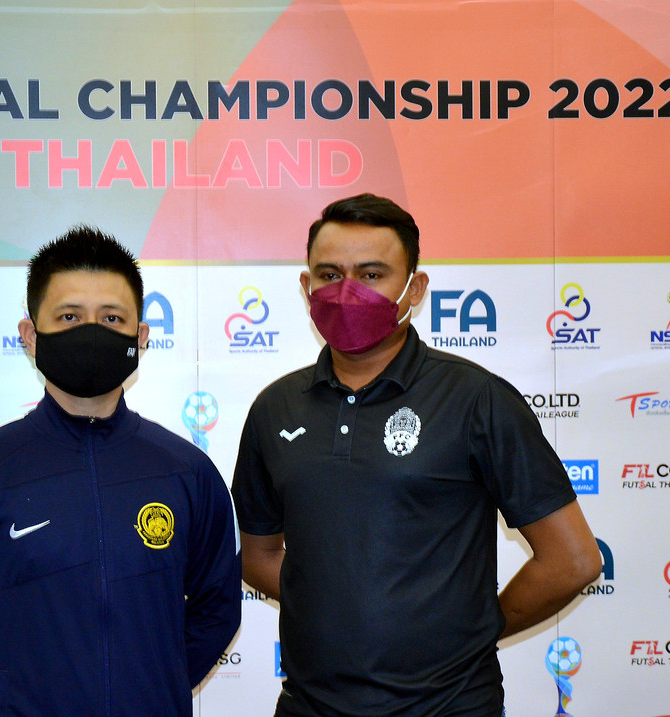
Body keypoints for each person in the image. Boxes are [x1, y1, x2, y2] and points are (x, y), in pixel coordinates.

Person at [232, 194, 602, 716]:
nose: (347, 292)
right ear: (306, 286)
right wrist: (336, 607)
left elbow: (573, 560)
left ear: (415, 288)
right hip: (308, 707)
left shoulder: (477, 399)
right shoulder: (275, 407)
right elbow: (259, 557)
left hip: (449, 706)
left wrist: (471, 631)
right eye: (329, 275)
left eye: (371, 274)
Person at [0, 226, 242, 717]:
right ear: (30, 336)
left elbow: (217, 609)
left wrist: (151, 690)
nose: (91, 331)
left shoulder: (187, 471)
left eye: (112, 318)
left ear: (141, 337)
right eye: (69, 316)